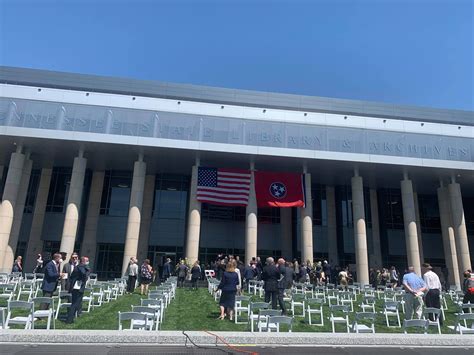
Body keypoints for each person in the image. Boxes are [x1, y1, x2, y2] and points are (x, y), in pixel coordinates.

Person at [65, 256, 90, 324]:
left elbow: (72, 276)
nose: (88, 262)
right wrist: (87, 270)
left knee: (77, 303)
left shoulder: (77, 267)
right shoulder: (81, 267)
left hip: (76, 287)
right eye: (87, 261)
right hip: (78, 287)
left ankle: (71, 317)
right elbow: (84, 275)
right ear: (83, 261)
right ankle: (69, 319)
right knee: (75, 303)